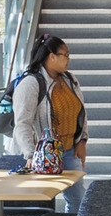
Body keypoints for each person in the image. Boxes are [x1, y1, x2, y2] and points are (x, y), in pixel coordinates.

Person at [10, 34, 86, 182]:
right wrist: (31, 154)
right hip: (41, 155)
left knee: (77, 194)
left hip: (70, 152)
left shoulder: (70, 80)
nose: (69, 59)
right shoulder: (30, 84)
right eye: (66, 55)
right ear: (52, 56)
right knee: (42, 193)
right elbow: (22, 124)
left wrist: (82, 140)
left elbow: (81, 112)